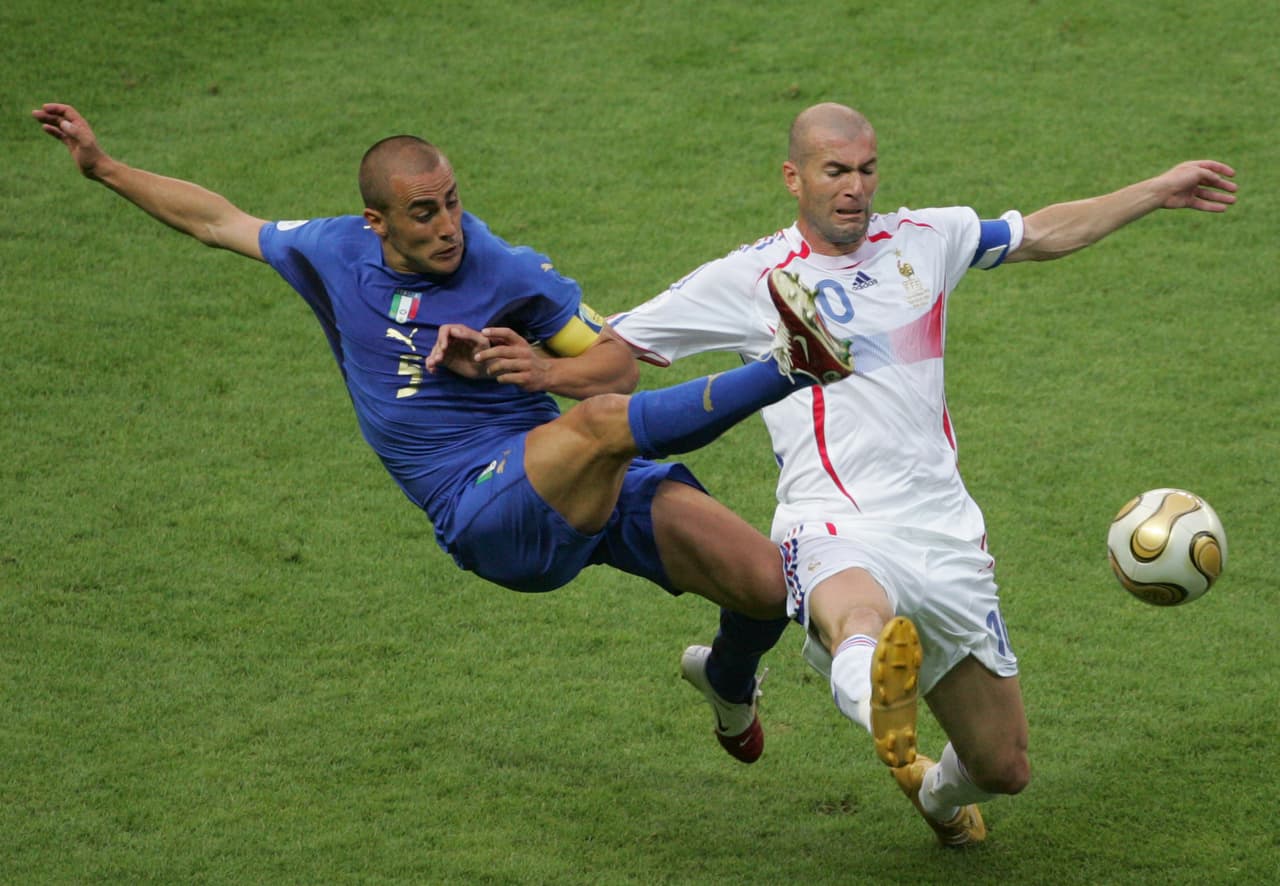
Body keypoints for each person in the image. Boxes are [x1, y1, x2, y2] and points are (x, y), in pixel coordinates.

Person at [32, 101, 858, 764]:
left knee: (766, 584)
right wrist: (104, 167)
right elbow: (220, 221)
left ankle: (724, 679)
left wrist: (537, 368)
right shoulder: (330, 252)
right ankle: (795, 365)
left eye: (454, 202)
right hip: (484, 509)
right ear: (376, 221)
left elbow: (615, 368)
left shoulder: (503, 269)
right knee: (605, 432)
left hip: (572, 472)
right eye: (423, 213)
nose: (448, 227)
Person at [611, 102, 1237, 845]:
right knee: (858, 622)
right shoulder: (752, 278)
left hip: (945, 535)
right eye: (835, 171)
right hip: (832, 520)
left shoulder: (925, 240)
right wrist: (507, 357)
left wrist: (1156, 189)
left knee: (1004, 768)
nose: (855, 188)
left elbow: (1041, 233)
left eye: (867, 170)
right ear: (794, 177)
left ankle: (935, 795)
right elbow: (614, 342)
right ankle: (878, 698)